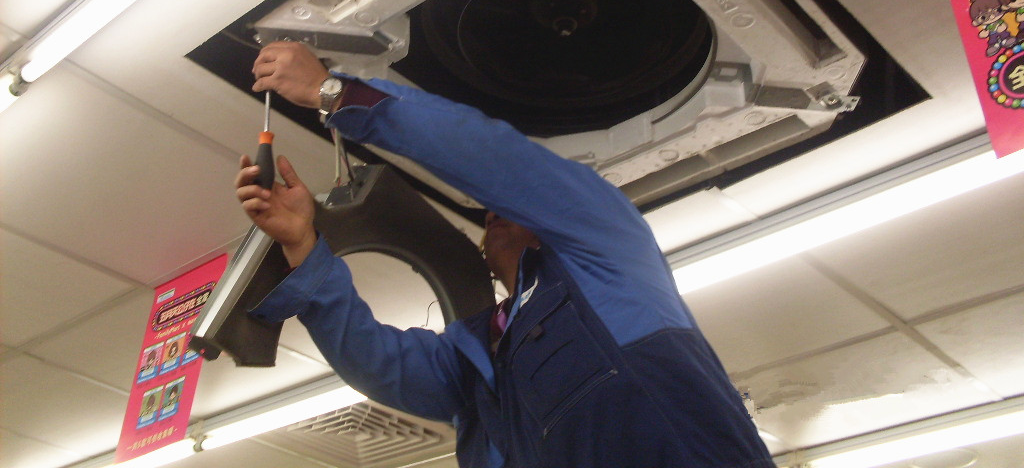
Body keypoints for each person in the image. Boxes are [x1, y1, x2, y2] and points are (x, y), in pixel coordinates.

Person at [237, 41, 773, 468]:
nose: (495, 210)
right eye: (488, 214)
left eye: (508, 205)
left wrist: (334, 93)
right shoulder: (474, 353)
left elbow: (497, 160)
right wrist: (303, 246)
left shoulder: (607, 252)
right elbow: (376, 362)